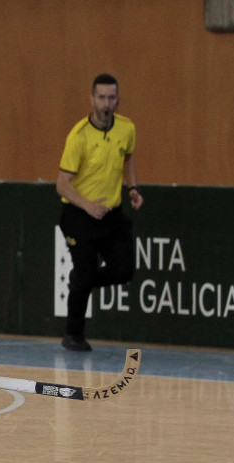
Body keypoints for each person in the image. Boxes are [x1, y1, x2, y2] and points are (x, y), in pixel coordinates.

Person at [56, 73, 143, 351]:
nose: (107, 103)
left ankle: (82, 279)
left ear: (118, 100)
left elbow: (128, 158)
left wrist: (133, 189)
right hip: (79, 214)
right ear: (92, 99)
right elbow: (62, 184)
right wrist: (88, 205)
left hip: (111, 214)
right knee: (85, 269)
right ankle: (73, 335)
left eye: (112, 98)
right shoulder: (79, 136)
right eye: (102, 97)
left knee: (123, 270)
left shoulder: (126, 128)